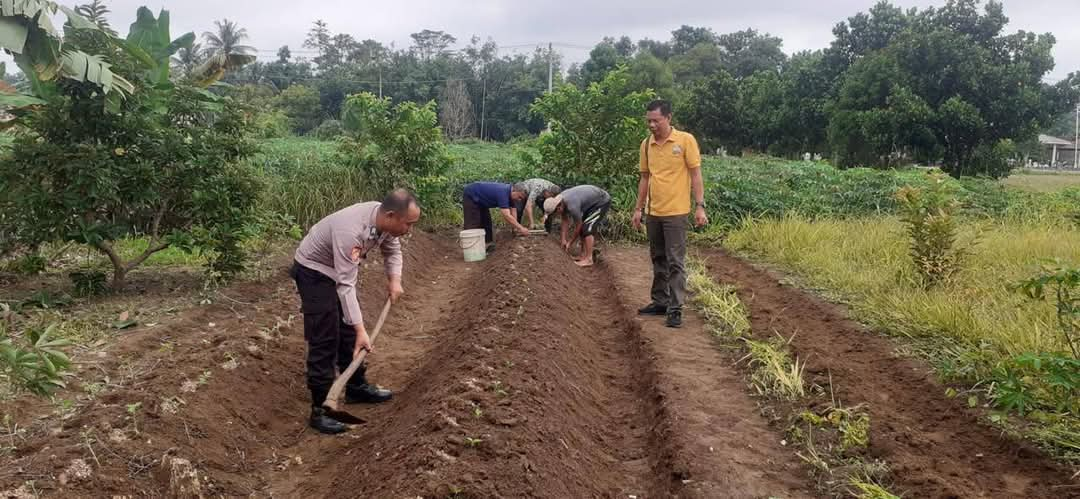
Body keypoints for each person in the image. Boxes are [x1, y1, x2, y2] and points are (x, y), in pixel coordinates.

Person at [290, 189, 421, 434]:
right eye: (408, 224)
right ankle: (320, 408)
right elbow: (346, 284)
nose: (409, 230)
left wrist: (395, 280)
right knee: (325, 337)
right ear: (392, 216)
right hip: (314, 271)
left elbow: (392, 250)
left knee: (348, 331)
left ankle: (356, 387)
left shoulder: (384, 222)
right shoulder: (350, 230)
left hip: (336, 271)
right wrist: (361, 330)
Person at [631, 99, 708, 328]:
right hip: (654, 212)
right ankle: (660, 301)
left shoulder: (685, 141)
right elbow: (645, 178)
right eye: (649, 121)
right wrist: (638, 208)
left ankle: (675, 309)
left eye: (656, 120)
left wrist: (700, 206)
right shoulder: (646, 145)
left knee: (676, 262)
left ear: (669, 118)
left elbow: (696, 175)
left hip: (676, 212)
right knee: (658, 258)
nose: (652, 125)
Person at [544, 184, 611, 267]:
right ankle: (583, 255)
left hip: (601, 201)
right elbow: (565, 221)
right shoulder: (560, 200)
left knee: (587, 228)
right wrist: (563, 239)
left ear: (558, 207)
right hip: (590, 204)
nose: (556, 215)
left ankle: (589, 259)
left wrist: (570, 242)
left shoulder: (572, 206)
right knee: (583, 228)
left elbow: (578, 226)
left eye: (555, 213)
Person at [463, 181, 531, 252]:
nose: (519, 200)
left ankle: (488, 246)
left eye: (521, 198)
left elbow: (513, 210)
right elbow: (506, 215)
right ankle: (471, 250)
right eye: (519, 197)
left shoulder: (511, 195)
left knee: (487, 222)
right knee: (473, 222)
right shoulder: (503, 192)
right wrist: (521, 228)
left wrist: (515, 228)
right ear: (514, 190)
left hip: (481, 201)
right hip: (471, 195)